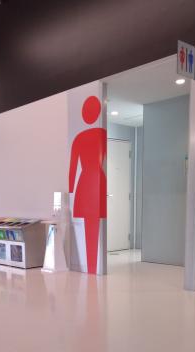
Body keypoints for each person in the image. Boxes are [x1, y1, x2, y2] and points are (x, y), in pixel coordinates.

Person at [69, 96, 107, 274]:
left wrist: (71, 191)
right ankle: (94, 267)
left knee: (88, 226)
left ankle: (91, 267)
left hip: (84, 183)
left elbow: (72, 170)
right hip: (97, 180)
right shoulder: (103, 134)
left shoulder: (79, 138)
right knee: (95, 225)